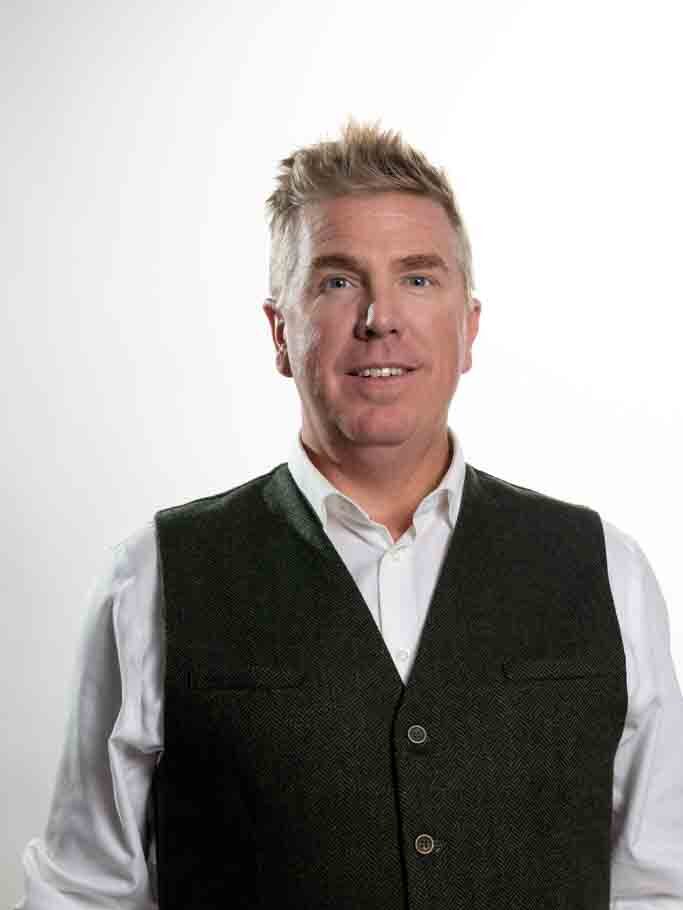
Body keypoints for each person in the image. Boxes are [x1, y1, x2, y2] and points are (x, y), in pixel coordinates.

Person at [16, 118, 683, 910]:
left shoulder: (602, 567)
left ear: (467, 327)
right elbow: (83, 892)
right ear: (280, 332)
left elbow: (658, 883)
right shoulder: (156, 575)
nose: (379, 318)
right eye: (336, 281)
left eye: (418, 278)